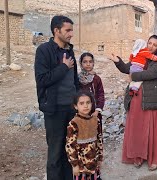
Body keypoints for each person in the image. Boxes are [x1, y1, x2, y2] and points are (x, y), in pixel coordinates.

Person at [109, 35, 157, 171]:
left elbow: (152, 74)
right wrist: (118, 62)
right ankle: (138, 156)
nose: (151, 46)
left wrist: (133, 76)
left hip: (151, 99)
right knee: (137, 129)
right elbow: (128, 68)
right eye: (149, 43)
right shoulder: (140, 55)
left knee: (151, 129)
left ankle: (155, 158)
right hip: (135, 98)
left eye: (154, 45)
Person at [34, 15, 79, 180]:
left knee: (70, 150)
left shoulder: (69, 50)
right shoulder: (44, 51)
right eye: (68, 30)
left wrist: (80, 101)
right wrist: (63, 67)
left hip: (71, 108)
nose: (71, 34)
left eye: (72, 30)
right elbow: (42, 80)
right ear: (56, 31)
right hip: (54, 109)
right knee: (55, 153)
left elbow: (74, 80)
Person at [66, 92, 103, 180]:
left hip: (94, 162)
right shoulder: (74, 123)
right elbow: (70, 146)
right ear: (76, 106)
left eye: (88, 102)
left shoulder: (96, 120)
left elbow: (99, 140)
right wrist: (75, 165)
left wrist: (100, 158)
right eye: (81, 103)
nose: (85, 106)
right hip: (81, 166)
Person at [78, 52, 105, 119]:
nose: (88, 64)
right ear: (81, 64)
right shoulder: (77, 79)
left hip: (94, 113)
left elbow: (101, 95)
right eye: (85, 62)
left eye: (90, 61)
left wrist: (97, 110)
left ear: (93, 63)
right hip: (80, 113)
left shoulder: (96, 78)